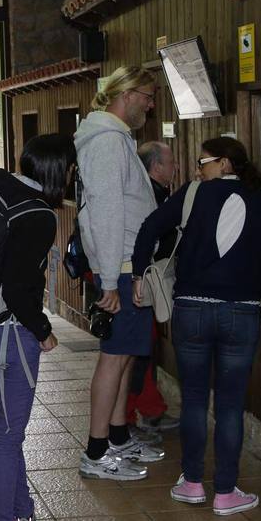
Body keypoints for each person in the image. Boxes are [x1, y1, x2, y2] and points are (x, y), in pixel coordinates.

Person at [132, 136, 261, 515]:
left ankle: (191, 483)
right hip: (242, 312)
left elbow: (149, 228)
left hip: (191, 310)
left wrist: (139, 275)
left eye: (204, 162)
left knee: (192, 400)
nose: (198, 170)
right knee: (230, 405)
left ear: (225, 164)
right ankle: (225, 491)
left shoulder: (191, 195)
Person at [0, 134, 71, 521]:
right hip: (13, 335)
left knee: (7, 433)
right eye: (69, 167)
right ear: (54, 170)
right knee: (9, 440)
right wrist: (43, 329)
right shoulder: (38, 215)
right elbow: (18, 287)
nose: (72, 175)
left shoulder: (1, 196)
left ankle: (22, 515)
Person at [74, 65, 166, 481]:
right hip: (122, 270)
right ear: (126, 94)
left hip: (127, 267)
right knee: (113, 360)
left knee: (125, 356)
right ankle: (95, 453)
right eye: (147, 96)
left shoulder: (114, 140)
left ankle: (115, 436)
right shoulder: (109, 143)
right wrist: (109, 281)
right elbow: (108, 213)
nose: (150, 104)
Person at [128, 141, 180, 441]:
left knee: (141, 350)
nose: (174, 168)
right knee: (137, 351)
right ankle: (130, 418)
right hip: (144, 281)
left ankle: (146, 410)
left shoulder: (155, 192)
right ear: (156, 166)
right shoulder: (149, 195)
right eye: (170, 163)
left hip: (146, 279)